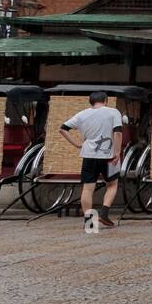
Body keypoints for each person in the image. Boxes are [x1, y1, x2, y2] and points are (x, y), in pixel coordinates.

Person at [58, 90, 122, 229]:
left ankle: (89, 223)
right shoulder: (113, 112)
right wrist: (118, 152)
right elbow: (117, 132)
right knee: (112, 185)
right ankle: (104, 214)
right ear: (106, 100)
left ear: (91, 102)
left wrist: (77, 144)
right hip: (109, 156)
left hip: (88, 155)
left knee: (88, 189)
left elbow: (63, 129)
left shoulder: (82, 114)